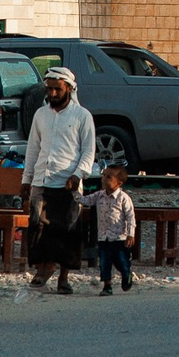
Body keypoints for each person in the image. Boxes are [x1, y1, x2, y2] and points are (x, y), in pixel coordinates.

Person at [23, 65, 95, 294]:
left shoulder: (82, 116)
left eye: (57, 89)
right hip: (41, 179)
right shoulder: (41, 114)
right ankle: (43, 269)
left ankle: (63, 277)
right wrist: (26, 179)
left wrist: (78, 174)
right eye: (49, 89)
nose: (52, 94)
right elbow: (33, 149)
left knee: (67, 230)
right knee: (38, 227)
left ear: (69, 88)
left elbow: (88, 151)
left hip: (68, 181)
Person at [82, 162, 136, 296]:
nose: (104, 180)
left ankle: (126, 274)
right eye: (103, 176)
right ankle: (107, 285)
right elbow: (86, 200)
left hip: (119, 238)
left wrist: (130, 234)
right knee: (104, 262)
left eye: (108, 177)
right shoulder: (99, 195)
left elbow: (130, 217)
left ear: (119, 183)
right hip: (103, 237)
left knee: (121, 261)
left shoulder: (123, 198)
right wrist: (74, 194)